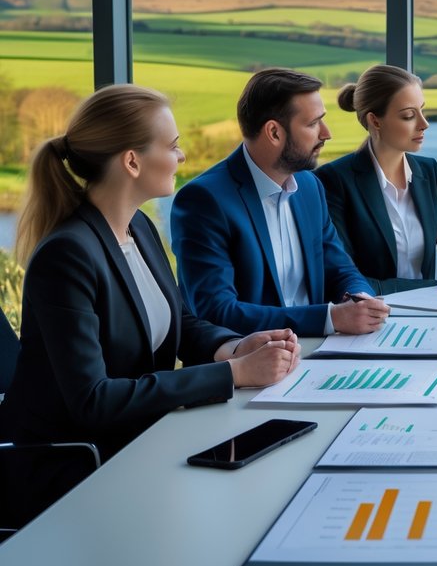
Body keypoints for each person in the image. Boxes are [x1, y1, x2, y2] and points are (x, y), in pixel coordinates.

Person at [0, 85, 300, 526]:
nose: (181, 158)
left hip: (136, 444)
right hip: (74, 469)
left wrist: (235, 349)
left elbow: (179, 320)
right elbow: (94, 400)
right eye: (173, 146)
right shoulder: (66, 256)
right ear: (132, 161)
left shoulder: (138, 226)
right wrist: (234, 375)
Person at [170, 68, 390, 336]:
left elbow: (340, 267)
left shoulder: (310, 186)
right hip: (248, 364)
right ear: (274, 132)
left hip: (321, 352)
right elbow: (217, 311)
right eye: (313, 124)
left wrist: (360, 298)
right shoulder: (204, 201)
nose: (326, 133)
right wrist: (329, 319)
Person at [316, 65, 437, 295]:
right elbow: (344, 280)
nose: (424, 123)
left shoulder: (429, 171)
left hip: (430, 313)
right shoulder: (332, 180)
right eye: (409, 115)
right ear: (375, 121)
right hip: (369, 320)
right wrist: (431, 289)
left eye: (422, 110)